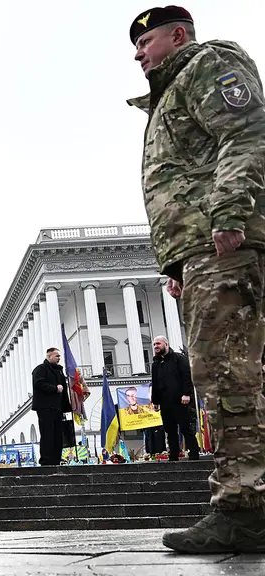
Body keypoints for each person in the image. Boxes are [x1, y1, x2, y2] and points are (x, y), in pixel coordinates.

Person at [128, 5, 265, 553]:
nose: (139, 54)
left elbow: (248, 131)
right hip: (203, 253)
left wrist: (229, 214)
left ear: (177, 35)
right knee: (231, 378)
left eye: (146, 42)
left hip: (223, 243)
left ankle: (243, 507)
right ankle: (248, 503)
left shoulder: (207, 63)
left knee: (230, 381)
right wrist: (179, 266)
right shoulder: (170, 93)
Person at [150, 336, 201, 461]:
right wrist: (155, 401)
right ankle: (174, 454)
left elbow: (187, 376)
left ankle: (194, 452)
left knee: (185, 428)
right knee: (170, 430)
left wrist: (187, 394)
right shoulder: (156, 363)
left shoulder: (179, 358)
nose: (156, 346)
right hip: (164, 401)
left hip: (180, 400)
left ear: (166, 344)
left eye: (158, 344)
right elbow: (155, 382)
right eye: (154, 344)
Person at [32, 348, 70, 466]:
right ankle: (46, 461)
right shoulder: (40, 369)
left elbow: (63, 391)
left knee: (58, 435)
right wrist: (54, 388)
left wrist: (65, 408)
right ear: (49, 356)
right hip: (45, 408)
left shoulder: (59, 371)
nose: (59, 358)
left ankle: (56, 459)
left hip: (58, 409)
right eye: (56, 356)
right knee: (47, 434)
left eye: (59, 356)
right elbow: (38, 384)